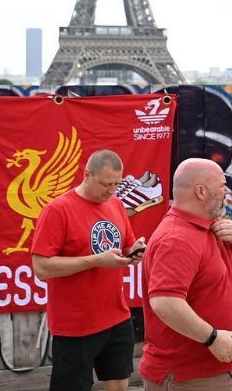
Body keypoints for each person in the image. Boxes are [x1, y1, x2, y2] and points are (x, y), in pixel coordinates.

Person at [32, 149, 146, 391]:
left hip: (117, 315)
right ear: (87, 175)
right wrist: (94, 261)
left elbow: (124, 246)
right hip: (76, 324)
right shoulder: (58, 210)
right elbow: (41, 267)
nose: (111, 190)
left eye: (117, 183)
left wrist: (134, 252)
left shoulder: (115, 204)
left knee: (119, 385)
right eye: (106, 183)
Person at [140, 158, 232, 390]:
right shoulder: (176, 239)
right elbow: (165, 302)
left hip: (214, 370)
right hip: (189, 377)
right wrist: (212, 338)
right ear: (201, 191)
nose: (226, 192)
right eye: (221, 185)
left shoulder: (210, 224)